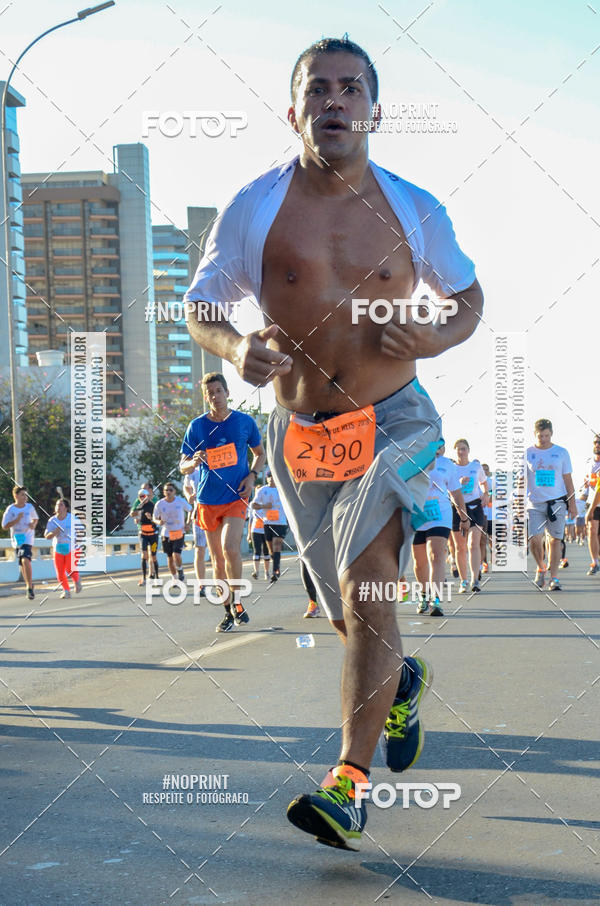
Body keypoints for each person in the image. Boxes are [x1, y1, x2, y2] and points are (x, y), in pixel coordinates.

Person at [183, 36, 483, 850]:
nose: (335, 101)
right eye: (318, 89)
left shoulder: (413, 208)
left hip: (395, 420)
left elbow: (468, 297)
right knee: (354, 612)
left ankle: (347, 783)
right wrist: (235, 347)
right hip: (300, 437)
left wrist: (435, 337)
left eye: (351, 89)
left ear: (374, 112)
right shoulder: (254, 208)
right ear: (295, 110)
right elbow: (201, 306)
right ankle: (402, 680)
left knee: (367, 578)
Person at [180, 373, 266, 632]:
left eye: (219, 391)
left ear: (227, 393)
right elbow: (182, 466)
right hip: (207, 498)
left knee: (231, 549)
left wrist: (252, 476)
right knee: (217, 559)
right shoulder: (196, 426)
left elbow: (259, 454)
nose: (215, 396)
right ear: (205, 397)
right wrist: (193, 462)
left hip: (236, 496)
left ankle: (237, 601)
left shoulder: (244, 422)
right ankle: (228, 610)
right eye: (210, 393)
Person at [411, 444, 468, 616]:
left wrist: (464, 518)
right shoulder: (412, 459)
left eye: (441, 445)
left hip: (440, 514)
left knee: (436, 555)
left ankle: (435, 600)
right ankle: (424, 595)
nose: (439, 448)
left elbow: (456, 493)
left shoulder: (447, 464)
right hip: (417, 513)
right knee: (419, 562)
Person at [526, 418, 577, 591]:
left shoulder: (561, 452)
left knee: (555, 540)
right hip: (535, 503)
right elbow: (521, 480)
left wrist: (572, 504)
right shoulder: (528, 453)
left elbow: (568, 480)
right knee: (535, 539)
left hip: (557, 503)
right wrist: (518, 502)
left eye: (546, 435)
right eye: (540, 436)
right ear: (535, 434)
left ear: (551, 434)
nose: (544, 439)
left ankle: (554, 577)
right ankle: (541, 567)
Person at [451, 439, 489, 593]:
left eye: (464, 449)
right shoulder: (452, 469)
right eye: (459, 449)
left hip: (474, 507)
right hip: (457, 509)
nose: (461, 452)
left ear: (469, 450)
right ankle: (463, 580)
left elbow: (484, 483)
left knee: (473, 544)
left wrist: (486, 494)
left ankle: (475, 580)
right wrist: (459, 483)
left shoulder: (475, 466)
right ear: (455, 451)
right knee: (460, 547)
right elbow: (446, 488)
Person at [251, 470, 289, 583]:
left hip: (281, 523)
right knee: (271, 549)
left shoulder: (282, 489)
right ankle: (275, 567)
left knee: (277, 545)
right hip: (267, 523)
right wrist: (264, 506)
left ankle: (275, 571)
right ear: (266, 478)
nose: (271, 478)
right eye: (269, 476)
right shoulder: (263, 490)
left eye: (273, 476)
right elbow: (253, 505)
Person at [2, 486, 39, 599]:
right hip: (17, 539)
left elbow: (35, 518)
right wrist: (16, 520)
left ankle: (29, 587)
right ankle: (29, 585)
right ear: (16, 496)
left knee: (25, 559)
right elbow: (4, 526)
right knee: (23, 562)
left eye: (26, 495)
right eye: (22, 495)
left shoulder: (29, 507)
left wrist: (33, 524)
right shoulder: (11, 509)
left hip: (28, 538)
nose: (25, 497)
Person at [152, 483, 192, 582]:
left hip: (179, 531)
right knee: (169, 557)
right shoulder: (160, 504)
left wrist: (188, 523)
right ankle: (174, 578)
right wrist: (158, 522)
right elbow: (154, 517)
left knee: (176, 554)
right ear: (163, 492)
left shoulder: (180, 501)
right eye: (166, 490)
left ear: (174, 491)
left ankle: (180, 570)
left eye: (170, 490)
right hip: (166, 533)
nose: (168, 492)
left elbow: (191, 510)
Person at [44, 498, 82, 598]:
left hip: (72, 547)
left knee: (70, 569)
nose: (58, 507)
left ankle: (77, 580)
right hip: (58, 548)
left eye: (61, 505)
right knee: (60, 572)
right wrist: (54, 532)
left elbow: (81, 531)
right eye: (57, 505)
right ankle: (66, 591)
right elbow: (47, 536)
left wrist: (78, 538)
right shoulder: (52, 520)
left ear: (66, 508)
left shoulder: (72, 518)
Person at [183, 468, 208, 596]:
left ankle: (222, 582)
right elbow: (186, 486)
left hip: (218, 513)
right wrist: (189, 496)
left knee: (220, 550)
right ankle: (201, 585)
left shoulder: (218, 464)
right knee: (199, 550)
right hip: (199, 514)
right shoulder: (192, 470)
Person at [130, 487, 159, 585]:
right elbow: (133, 514)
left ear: (148, 496)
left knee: (153, 556)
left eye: (144, 496)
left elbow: (158, 519)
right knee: (144, 555)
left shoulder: (153, 506)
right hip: (143, 534)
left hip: (153, 535)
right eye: (140, 496)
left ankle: (156, 577)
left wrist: (151, 518)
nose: (142, 498)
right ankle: (144, 578)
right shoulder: (139, 506)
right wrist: (137, 517)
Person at [582, 435, 600, 575]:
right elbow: (588, 481)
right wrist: (585, 492)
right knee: (592, 530)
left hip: (596, 502)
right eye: (595, 442)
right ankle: (595, 562)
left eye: (599, 442)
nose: (597, 445)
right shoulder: (589, 462)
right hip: (592, 502)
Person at [248, 488, 270, 580]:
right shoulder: (252, 504)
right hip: (255, 530)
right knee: (256, 551)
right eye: (257, 492)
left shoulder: (268, 503)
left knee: (266, 551)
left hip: (266, 530)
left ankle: (267, 572)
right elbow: (250, 520)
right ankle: (256, 571)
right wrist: (249, 534)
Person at [480, 463, 493, 573]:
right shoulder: (476, 481)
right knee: (482, 540)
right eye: (482, 469)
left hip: (492, 515)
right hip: (482, 515)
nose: (484, 471)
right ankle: (484, 564)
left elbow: (493, 497)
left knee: (492, 540)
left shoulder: (492, 482)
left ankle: (493, 554)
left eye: (486, 469)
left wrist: (488, 496)